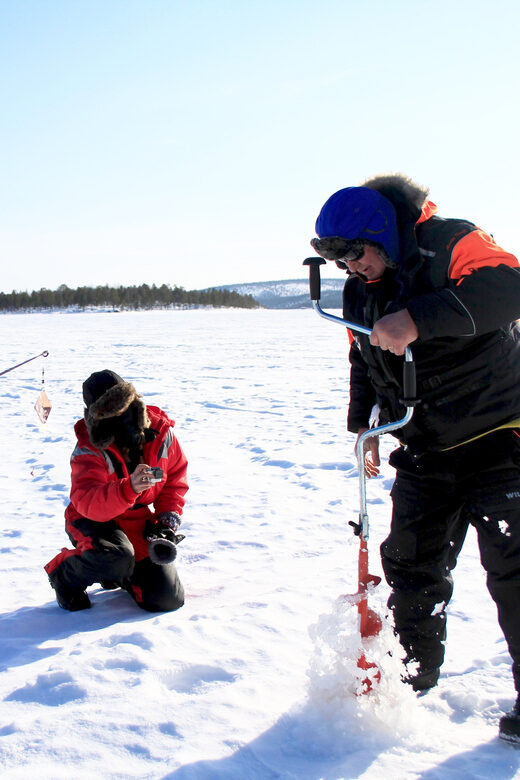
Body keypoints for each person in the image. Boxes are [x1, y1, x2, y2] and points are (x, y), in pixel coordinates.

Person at [310, 173, 520, 741]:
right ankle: (411, 677)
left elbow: (510, 287)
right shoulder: (362, 287)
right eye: (341, 262)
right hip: (426, 443)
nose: (352, 269)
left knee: (515, 570)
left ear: (381, 233)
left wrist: (418, 319)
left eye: (355, 254)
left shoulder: (451, 241)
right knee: (410, 565)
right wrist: (366, 423)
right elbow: (362, 355)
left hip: (501, 433)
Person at [45, 370, 188, 614]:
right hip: (91, 519)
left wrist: (166, 521)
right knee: (116, 556)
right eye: (112, 412)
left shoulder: (161, 433)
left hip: (136, 521)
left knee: (166, 599)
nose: (124, 415)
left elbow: (174, 480)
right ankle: (64, 576)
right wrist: (128, 488)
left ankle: (121, 572)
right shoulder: (88, 449)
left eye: (127, 405)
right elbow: (87, 501)